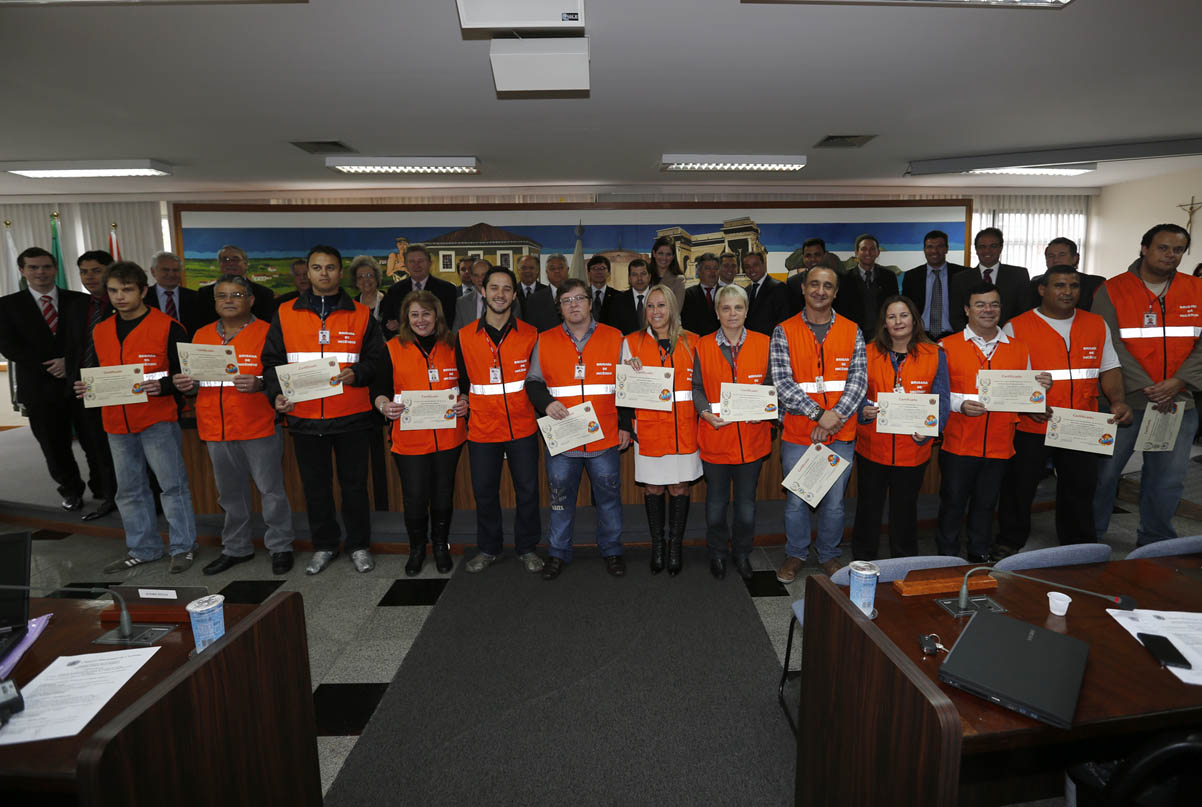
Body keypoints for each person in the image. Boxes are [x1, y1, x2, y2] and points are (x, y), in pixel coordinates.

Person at [262, 245, 387, 575]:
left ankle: (359, 545)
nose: (324, 274)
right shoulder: (285, 312)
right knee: (315, 487)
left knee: (355, 487)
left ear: (340, 272)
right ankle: (325, 545)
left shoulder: (360, 314)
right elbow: (271, 362)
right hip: (304, 418)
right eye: (317, 268)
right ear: (307, 271)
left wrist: (357, 373)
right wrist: (276, 394)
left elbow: (378, 362)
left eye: (330, 268)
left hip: (352, 416)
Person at [992, 265, 1129, 559]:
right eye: (1060, 285)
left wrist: (1118, 401)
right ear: (1043, 290)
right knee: (1019, 487)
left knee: (1080, 487)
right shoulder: (1016, 327)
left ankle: (1078, 544)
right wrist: (1030, 406)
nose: (1068, 292)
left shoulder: (1096, 324)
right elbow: (1008, 380)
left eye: (1074, 285)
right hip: (1034, 423)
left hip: (1081, 420)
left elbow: (1109, 368)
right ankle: (1010, 540)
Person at [73, 261, 199, 574]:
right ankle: (144, 549)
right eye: (113, 290)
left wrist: (165, 385)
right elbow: (97, 373)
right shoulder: (101, 330)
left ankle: (183, 547)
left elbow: (187, 375)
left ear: (143, 290)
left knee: (172, 487)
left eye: (127, 290)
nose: (119, 297)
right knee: (128, 490)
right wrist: (84, 386)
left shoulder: (168, 326)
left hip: (156, 419)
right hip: (115, 422)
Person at [172, 274, 296, 575]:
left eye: (237, 295)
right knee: (229, 494)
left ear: (251, 300)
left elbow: (285, 375)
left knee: (271, 492)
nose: (229, 301)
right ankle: (237, 548)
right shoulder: (200, 334)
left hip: (257, 425)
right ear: (215, 302)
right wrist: (186, 384)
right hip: (215, 427)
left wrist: (261, 383)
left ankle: (280, 546)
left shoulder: (268, 332)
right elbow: (195, 385)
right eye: (222, 296)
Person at [1092, 223, 1202, 546]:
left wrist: (1177, 382)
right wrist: (1152, 387)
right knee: (1104, 475)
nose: (1171, 255)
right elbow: (1108, 343)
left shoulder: (1196, 289)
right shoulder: (1112, 289)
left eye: (1178, 250)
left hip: (1179, 401)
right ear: (1144, 249)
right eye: (1163, 248)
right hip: (1124, 401)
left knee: (1167, 479)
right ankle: (1090, 538)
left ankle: (1155, 542)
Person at [527, 278, 631, 580]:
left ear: (590, 302)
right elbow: (533, 382)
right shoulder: (544, 339)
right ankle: (558, 553)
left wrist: (626, 424)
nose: (574, 305)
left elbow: (626, 386)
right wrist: (546, 404)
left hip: (606, 436)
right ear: (560, 308)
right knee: (560, 500)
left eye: (579, 298)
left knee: (609, 500)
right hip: (562, 438)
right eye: (566, 300)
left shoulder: (615, 337)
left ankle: (612, 551)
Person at [938, 284, 1047, 562]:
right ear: (966, 310)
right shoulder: (945, 347)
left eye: (994, 304)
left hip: (999, 443)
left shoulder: (1020, 349)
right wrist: (959, 404)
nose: (988, 310)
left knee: (987, 505)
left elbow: (1025, 394)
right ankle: (946, 556)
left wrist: (1039, 391)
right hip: (958, 443)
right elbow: (937, 393)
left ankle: (979, 553)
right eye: (980, 304)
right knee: (952, 504)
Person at [771, 266, 867, 581]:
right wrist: (817, 415)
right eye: (814, 284)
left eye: (827, 286)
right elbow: (783, 383)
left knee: (835, 503)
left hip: (840, 434)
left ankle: (829, 555)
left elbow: (858, 382)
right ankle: (795, 554)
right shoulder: (783, 331)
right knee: (796, 502)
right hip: (799, 435)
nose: (820, 291)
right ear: (803, 288)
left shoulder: (853, 331)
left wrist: (831, 421)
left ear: (836, 293)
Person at [373, 290, 467, 576]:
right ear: (406, 318)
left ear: (436, 315)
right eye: (414, 314)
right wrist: (384, 406)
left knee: (442, 494)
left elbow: (467, 383)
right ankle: (417, 548)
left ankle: (440, 546)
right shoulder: (391, 348)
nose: (420, 320)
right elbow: (378, 391)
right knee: (414, 496)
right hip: (409, 438)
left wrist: (466, 400)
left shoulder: (454, 345)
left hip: (448, 437)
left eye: (426, 313)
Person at [456, 266, 544, 573]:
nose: (500, 294)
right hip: (482, 428)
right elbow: (460, 382)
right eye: (494, 288)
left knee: (529, 491)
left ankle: (527, 547)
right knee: (484, 492)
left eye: (507, 289)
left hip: (522, 425)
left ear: (514, 295)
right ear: (482, 291)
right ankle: (488, 548)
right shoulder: (464, 337)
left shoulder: (531, 335)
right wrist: (461, 399)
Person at [852, 296, 949, 561]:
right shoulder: (867, 351)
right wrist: (863, 411)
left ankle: (903, 561)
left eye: (904, 315)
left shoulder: (935, 354)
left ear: (915, 319)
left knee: (905, 509)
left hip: (913, 449)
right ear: (884, 322)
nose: (898, 321)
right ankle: (862, 560)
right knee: (868, 508)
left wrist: (932, 429)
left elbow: (942, 398)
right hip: (873, 447)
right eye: (892, 316)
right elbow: (856, 393)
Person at [0, 248, 94, 513]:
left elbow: (90, 339)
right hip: (39, 387)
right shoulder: (6, 305)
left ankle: (104, 487)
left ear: (55, 269)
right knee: (54, 446)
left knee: (94, 441)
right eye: (33, 267)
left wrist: (69, 362)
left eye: (45, 267)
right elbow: (9, 347)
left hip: (80, 384)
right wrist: (52, 364)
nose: (40, 272)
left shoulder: (80, 301)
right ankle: (71, 490)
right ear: (22, 271)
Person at [692, 284, 772, 580]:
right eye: (725, 308)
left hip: (752, 441)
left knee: (746, 508)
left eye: (738, 307)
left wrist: (764, 410)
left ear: (747, 310)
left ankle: (742, 553)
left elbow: (772, 386)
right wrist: (704, 413)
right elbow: (696, 387)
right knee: (715, 505)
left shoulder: (765, 343)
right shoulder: (702, 345)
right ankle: (717, 554)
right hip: (715, 438)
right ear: (716, 312)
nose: (732, 313)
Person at [620, 284, 699, 575]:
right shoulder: (631, 343)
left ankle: (675, 546)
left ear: (672, 308)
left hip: (684, 428)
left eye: (661, 305)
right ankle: (658, 545)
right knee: (653, 486)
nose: (656, 312)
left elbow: (702, 387)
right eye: (650, 306)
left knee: (679, 486)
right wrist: (629, 371)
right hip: (650, 429)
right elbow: (623, 392)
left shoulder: (694, 341)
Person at [71, 250, 118, 520]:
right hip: (86, 389)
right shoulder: (78, 305)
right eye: (84, 271)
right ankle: (109, 496)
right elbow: (73, 347)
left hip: (119, 387)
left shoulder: (123, 304)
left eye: (96, 270)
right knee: (96, 448)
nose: (90, 276)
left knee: (123, 448)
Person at [949, 228, 1030, 331]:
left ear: (1001, 248)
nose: (987, 251)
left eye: (993, 246)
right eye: (982, 247)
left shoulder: (1019, 275)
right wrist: (971, 337)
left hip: (1010, 338)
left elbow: (1024, 313)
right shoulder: (960, 279)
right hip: (971, 341)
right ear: (976, 250)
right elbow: (956, 316)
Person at [379, 244, 458, 339]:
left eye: (421, 261)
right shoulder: (394, 291)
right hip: (404, 347)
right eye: (412, 261)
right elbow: (387, 324)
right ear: (406, 264)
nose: (416, 265)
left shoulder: (447, 290)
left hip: (438, 346)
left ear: (430, 263)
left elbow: (450, 323)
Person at [901, 230, 967, 341]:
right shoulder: (911, 276)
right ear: (924, 250)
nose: (934, 251)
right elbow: (906, 309)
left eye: (940, 246)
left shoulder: (962, 275)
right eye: (930, 247)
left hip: (954, 335)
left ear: (946, 249)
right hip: (920, 336)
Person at [835, 234, 900, 337]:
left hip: (883, 335)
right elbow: (841, 310)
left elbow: (894, 306)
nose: (868, 253)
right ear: (856, 253)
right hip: (853, 335)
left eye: (872, 249)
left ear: (878, 252)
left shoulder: (889, 277)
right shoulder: (844, 279)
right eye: (863, 249)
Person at [196, 245, 277, 327]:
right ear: (219, 264)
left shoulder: (264, 294)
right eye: (225, 260)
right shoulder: (204, 293)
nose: (230, 263)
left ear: (245, 264)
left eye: (235, 259)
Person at [1027, 238, 1104, 311]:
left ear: (1075, 258)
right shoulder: (1035, 283)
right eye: (1051, 256)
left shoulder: (1094, 283)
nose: (1056, 260)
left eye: (1062, 255)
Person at [145, 250, 205, 336]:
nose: (171, 274)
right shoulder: (143, 298)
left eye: (176, 270)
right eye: (165, 270)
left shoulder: (196, 297)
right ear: (153, 271)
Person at [743, 251, 790, 336]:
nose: (751, 269)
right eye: (747, 267)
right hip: (749, 344)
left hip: (770, 344)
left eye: (755, 265)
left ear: (764, 265)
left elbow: (783, 321)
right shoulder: (746, 291)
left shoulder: (778, 287)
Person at [523, 253, 572, 332]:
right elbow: (531, 330)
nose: (556, 271)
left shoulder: (578, 296)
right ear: (546, 272)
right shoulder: (534, 299)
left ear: (567, 270)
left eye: (560, 267)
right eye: (552, 268)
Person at [785, 238, 832, 315]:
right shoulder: (792, 283)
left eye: (817, 255)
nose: (813, 259)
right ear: (803, 257)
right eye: (808, 255)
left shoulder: (839, 280)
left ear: (824, 255)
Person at [680, 252, 721, 337]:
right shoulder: (687, 295)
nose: (712, 272)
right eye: (708, 268)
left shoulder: (726, 294)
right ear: (698, 271)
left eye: (715, 268)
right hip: (695, 344)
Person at [606, 258, 650, 335]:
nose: (639, 278)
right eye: (634, 274)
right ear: (629, 278)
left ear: (649, 276)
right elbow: (614, 331)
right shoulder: (618, 301)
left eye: (643, 274)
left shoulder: (659, 298)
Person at [650, 236, 686, 314]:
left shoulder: (679, 280)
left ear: (673, 257)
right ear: (654, 254)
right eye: (660, 253)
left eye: (668, 254)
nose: (664, 258)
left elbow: (675, 312)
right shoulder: (645, 277)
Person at [452, 258, 491, 331]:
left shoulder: (508, 301)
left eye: (484, 275)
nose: (480, 279)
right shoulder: (461, 303)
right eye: (476, 275)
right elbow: (456, 334)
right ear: (472, 278)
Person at [351, 255, 384, 320]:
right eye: (361, 277)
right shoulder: (351, 306)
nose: (366, 279)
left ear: (377, 278)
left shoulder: (390, 302)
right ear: (356, 282)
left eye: (369, 275)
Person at [515, 254, 546, 321]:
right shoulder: (512, 292)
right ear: (518, 270)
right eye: (524, 268)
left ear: (538, 270)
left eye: (531, 268)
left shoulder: (547, 292)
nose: (527, 271)